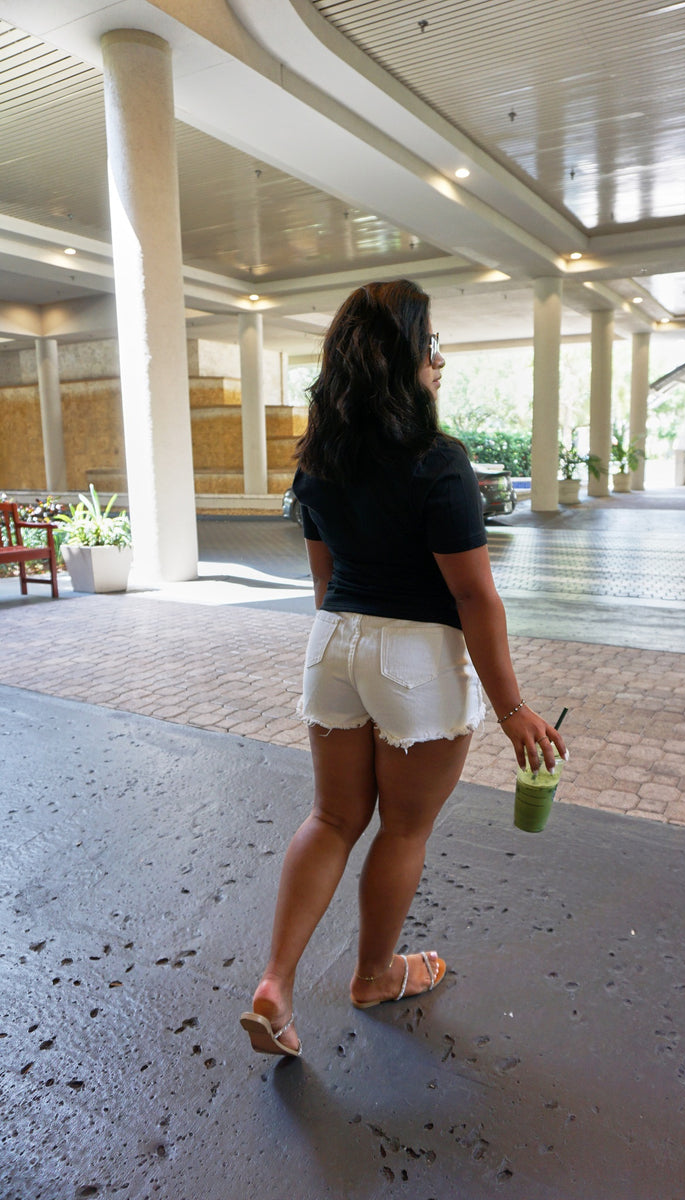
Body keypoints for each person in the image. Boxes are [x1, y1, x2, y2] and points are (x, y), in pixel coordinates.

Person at [239, 279, 568, 1059]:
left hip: (334, 644)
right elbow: (474, 597)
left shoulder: (317, 460)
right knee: (404, 826)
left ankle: (276, 984)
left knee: (330, 818)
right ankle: (375, 974)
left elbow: (325, 583)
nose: (440, 361)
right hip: (415, 658)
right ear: (404, 360)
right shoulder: (438, 463)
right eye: (431, 345)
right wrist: (516, 708)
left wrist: (349, 639)